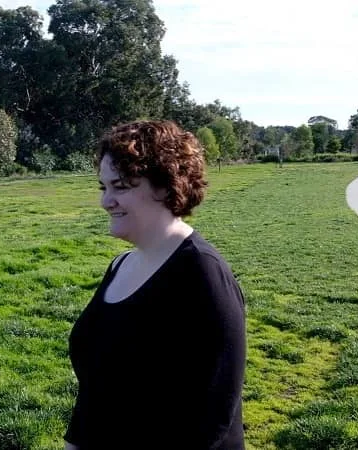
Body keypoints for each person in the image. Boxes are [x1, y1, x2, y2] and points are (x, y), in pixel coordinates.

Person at [64, 120, 246, 449]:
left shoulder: (203, 275)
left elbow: (210, 420)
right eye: (103, 187)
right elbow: (95, 388)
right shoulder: (120, 266)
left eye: (120, 186)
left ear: (164, 185)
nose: (106, 201)